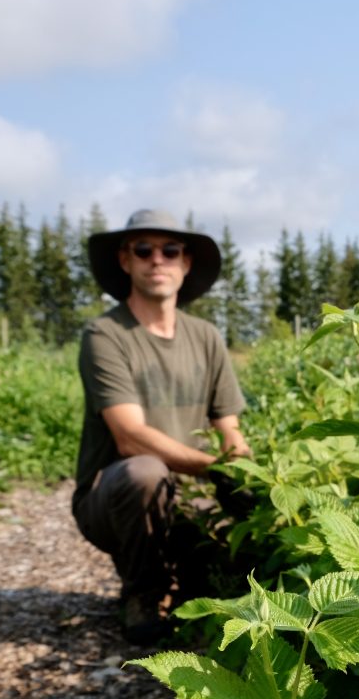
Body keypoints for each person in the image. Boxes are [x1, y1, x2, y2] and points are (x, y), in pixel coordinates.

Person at [72, 208, 250, 643]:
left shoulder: (206, 337)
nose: (158, 260)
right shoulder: (106, 335)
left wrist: (246, 474)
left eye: (170, 250)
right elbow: (129, 437)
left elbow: (229, 427)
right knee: (146, 472)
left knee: (229, 559)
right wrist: (215, 468)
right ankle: (142, 594)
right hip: (113, 495)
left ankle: (191, 588)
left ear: (186, 263)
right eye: (144, 250)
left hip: (189, 492)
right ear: (125, 260)